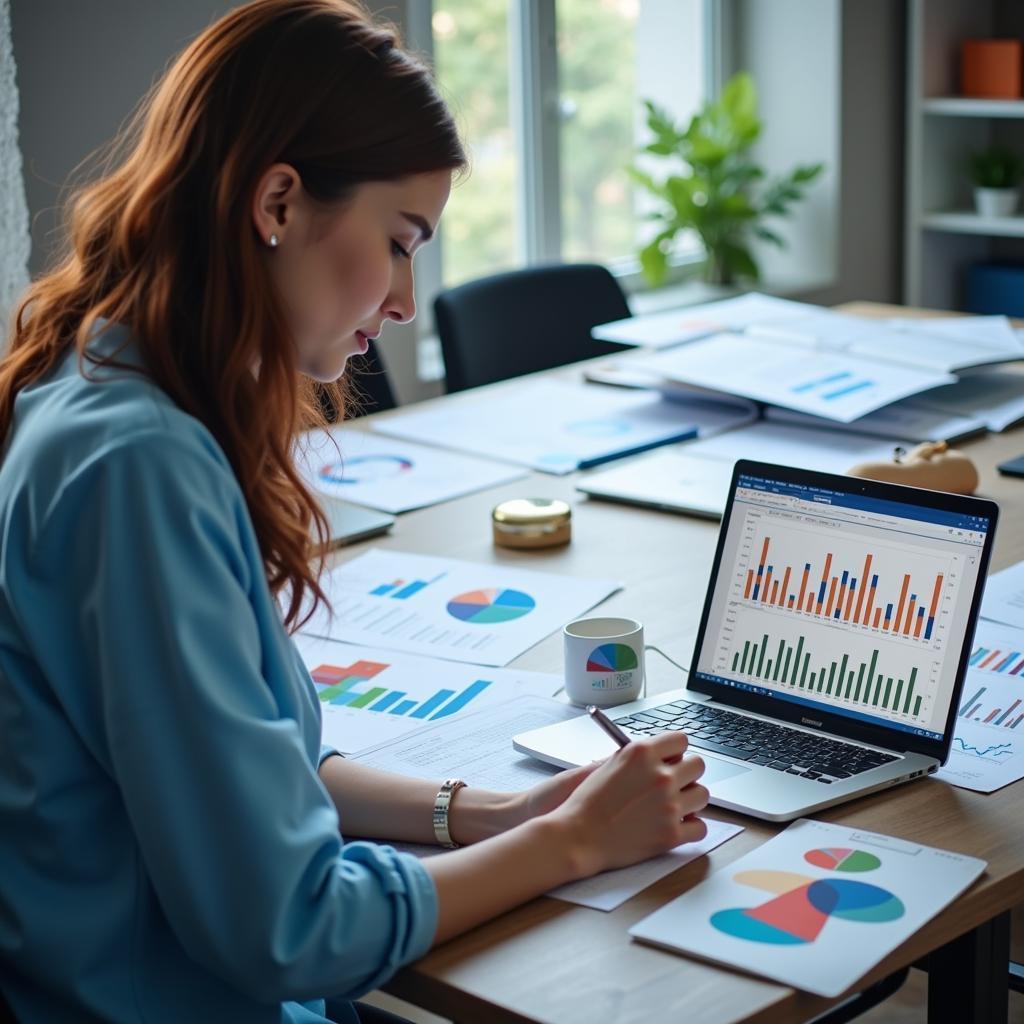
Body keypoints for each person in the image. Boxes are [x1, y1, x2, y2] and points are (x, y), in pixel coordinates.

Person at [0, 2, 709, 1022]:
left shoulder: (94, 378)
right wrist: (569, 842)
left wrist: (493, 811)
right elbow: (290, 926)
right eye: (400, 239)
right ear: (278, 200)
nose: (407, 299)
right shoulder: (138, 467)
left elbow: (246, 761)